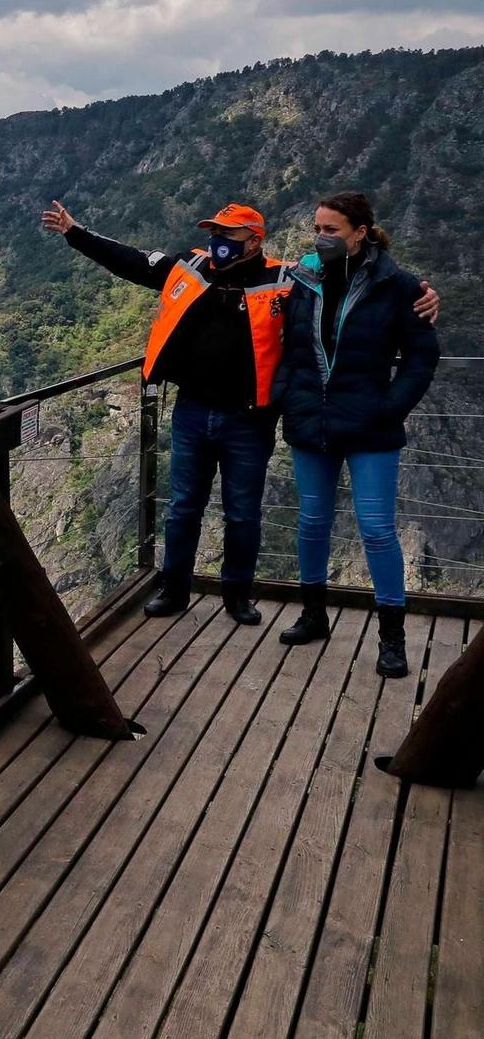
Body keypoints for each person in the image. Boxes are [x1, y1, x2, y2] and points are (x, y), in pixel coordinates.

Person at [40, 201, 438, 625]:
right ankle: (174, 590)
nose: (218, 243)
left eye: (228, 236)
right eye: (215, 234)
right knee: (183, 508)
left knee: (243, 512)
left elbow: (355, 283)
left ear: (254, 241)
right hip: (192, 410)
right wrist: (74, 231)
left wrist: (426, 297)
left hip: (249, 417)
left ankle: (237, 597)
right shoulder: (190, 268)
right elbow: (131, 261)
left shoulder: (287, 278)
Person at [271, 192, 439, 677]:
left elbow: (421, 356)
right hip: (311, 421)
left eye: (332, 230)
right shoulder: (305, 279)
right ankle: (313, 616)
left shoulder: (398, 286)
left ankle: (392, 638)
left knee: (378, 529)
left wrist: (389, 408)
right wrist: (288, 397)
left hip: (370, 427)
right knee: (312, 522)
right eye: (317, 228)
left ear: (360, 233)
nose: (320, 237)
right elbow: (290, 345)